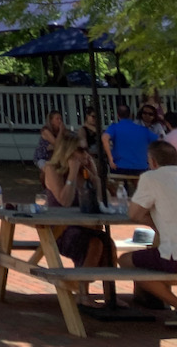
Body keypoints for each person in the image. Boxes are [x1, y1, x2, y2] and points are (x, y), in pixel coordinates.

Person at [42, 130, 113, 305]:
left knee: (109, 244)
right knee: (95, 243)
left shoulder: (86, 173)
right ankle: (83, 293)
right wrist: (72, 173)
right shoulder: (52, 170)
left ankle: (110, 295)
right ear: (68, 151)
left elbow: (105, 202)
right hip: (61, 229)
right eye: (80, 150)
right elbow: (65, 201)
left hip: (85, 226)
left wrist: (95, 177)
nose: (85, 154)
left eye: (86, 150)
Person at [121, 140, 177, 308]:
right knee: (157, 253)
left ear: (152, 161)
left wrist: (153, 222)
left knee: (124, 261)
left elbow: (134, 214)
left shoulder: (151, 177)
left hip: (174, 255)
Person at [104, 103, 158, 175]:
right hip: (141, 168)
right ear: (130, 115)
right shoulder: (143, 130)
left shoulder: (114, 127)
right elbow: (159, 141)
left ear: (117, 115)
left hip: (120, 166)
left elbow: (105, 138)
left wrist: (110, 159)